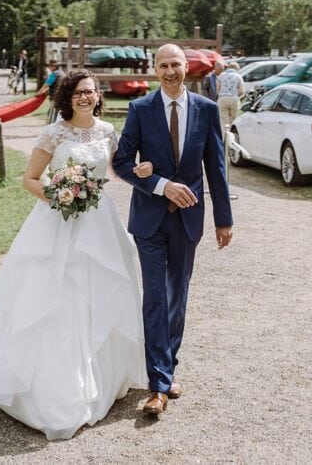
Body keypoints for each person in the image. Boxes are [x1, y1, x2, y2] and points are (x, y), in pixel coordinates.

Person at [0, 71, 150, 440]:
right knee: (57, 298)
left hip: (100, 224)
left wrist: (139, 170)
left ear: (98, 97)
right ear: (67, 97)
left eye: (91, 92)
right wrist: (61, 194)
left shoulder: (106, 132)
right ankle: (52, 390)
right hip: (58, 222)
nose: (86, 97)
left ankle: (103, 377)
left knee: (99, 292)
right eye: (79, 92)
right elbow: (30, 179)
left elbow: (116, 171)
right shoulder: (54, 133)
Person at [111, 44, 234, 415]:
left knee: (177, 296)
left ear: (187, 68)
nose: (169, 71)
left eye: (175, 64)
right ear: (154, 69)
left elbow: (217, 168)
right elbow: (120, 162)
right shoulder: (140, 109)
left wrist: (224, 219)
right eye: (163, 65)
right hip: (149, 218)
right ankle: (160, 384)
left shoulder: (208, 110)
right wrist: (158, 183)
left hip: (188, 219)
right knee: (155, 297)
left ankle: (165, 369)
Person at [216, 61, 246, 132]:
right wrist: (235, 95)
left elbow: (217, 89)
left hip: (222, 99)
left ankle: (225, 136)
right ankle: (232, 135)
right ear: (236, 69)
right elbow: (242, 91)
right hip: (234, 99)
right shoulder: (238, 76)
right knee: (234, 119)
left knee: (224, 120)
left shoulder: (221, 75)